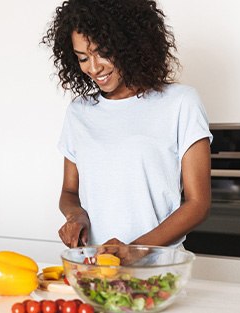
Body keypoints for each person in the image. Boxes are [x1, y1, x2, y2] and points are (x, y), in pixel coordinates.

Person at [42, 0, 212, 249]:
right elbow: (69, 191)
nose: (94, 67)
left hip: (159, 270)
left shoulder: (180, 103)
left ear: (130, 44)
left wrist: (134, 250)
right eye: (82, 58)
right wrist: (75, 216)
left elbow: (198, 204)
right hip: (98, 266)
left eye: (103, 52)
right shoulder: (79, 112)